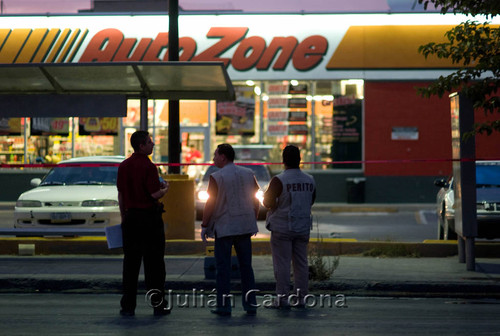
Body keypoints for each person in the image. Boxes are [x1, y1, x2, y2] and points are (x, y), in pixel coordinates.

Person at [201, 143, 259, 316]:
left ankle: (224, 305)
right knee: (246, 267)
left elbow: (210, 203)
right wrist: (252, 217)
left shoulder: (217, 177)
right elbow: (255, 199)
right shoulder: (248, 174)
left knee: (223, 268)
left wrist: (204, 225)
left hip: (225, 227)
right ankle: (250, 304)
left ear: (223, 157)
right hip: (244, 226)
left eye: (215, 155)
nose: (213, 158)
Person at [116, 130, 170, 317]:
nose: (153, 144)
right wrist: (165, 189)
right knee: (154, 265)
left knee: (130, 265)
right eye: (149, 142)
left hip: (131, 219)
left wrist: (124, 217)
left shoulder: (124, 166)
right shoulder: (149, 167)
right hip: (149, 219)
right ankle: (158, 304)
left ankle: (128, 306)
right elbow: (154, 194)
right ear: (141, 145)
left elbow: (121, 195)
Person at [263, 145, 316, 309]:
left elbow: (267, 202)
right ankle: (301, 298)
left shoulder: (279, 180)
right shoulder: (309, 179)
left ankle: (282, 299)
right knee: (301, 264)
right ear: (300, 160)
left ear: (283, 161)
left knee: (282, 264)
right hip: (302, 227)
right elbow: (312, 200)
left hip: (282, 227)